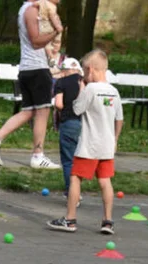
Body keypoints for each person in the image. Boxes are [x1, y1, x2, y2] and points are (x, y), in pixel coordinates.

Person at [47, 50, 122, 235]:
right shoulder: (114, 91)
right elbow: (119, 118)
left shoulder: (90, 89)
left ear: (90, 69)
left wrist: (81, 90)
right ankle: (107, 220)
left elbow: (77, 109)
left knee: (75, 178)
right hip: (107, 144)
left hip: (89, 144)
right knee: (105, 181)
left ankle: (70, 219)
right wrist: (115, 139)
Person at [0, 0, 62, 168]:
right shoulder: (31, 10)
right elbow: (36, 41)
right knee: (43, 111)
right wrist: (56, 31)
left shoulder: (31, 9)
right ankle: (38, 155)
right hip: (36, 69)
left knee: (29, 111)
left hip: (30, 69)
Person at [53, 56, 83, 197]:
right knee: (80, 158)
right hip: (84, 123)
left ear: (64, 71)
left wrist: (61, 112)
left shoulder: (61, 82)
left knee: (68, 160)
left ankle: (71, 192)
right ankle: (78, 190)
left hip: (68, 122)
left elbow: (58, 104)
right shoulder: (85, 81)